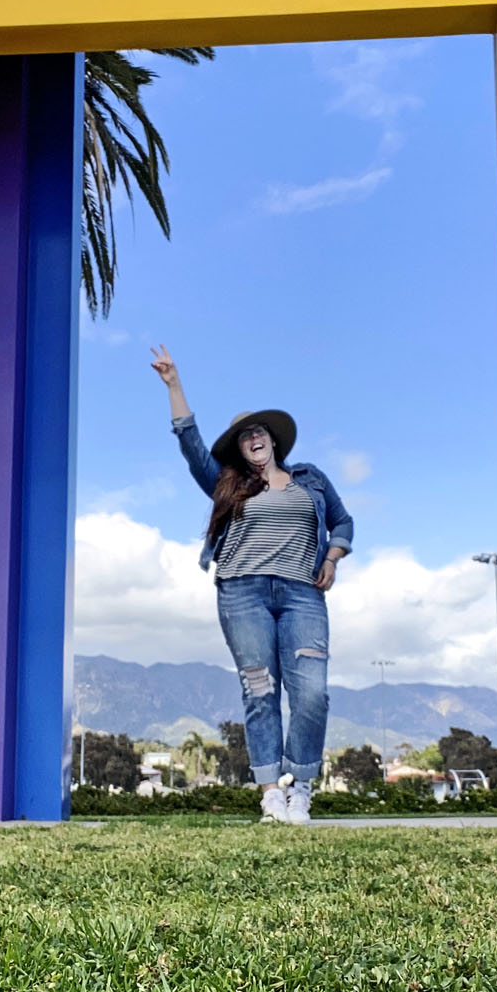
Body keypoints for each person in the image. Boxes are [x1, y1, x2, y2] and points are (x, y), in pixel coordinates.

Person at [150, 344, 353, 824]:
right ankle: (270, 796)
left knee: (311, 693)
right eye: (244, 436)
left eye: (259, 430)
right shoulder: (227, 484)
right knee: (260, 690)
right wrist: (175, 385)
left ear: (273, 440)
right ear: (240, 450)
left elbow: (343, 523)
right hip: (242, 594)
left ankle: (299, 787)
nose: (253, 437)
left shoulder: (312, 480)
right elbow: (189, 442)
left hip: (303, 595)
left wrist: (333, 556)